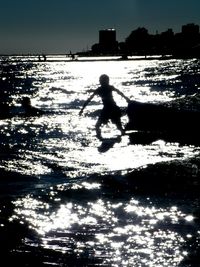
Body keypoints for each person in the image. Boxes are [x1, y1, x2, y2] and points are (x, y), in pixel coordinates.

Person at [79, 74, 130, 140]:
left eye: (101, 80)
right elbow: (120, 93)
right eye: (100, 80)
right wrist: (127, 99)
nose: (100, 82)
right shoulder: (105, 88)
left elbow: (89, 99)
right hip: (111, 108)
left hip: (110, 109)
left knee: (99, 126)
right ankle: (102, 139)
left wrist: (82, 109)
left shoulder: (104, 88)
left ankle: (101, 139)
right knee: (118, 127)